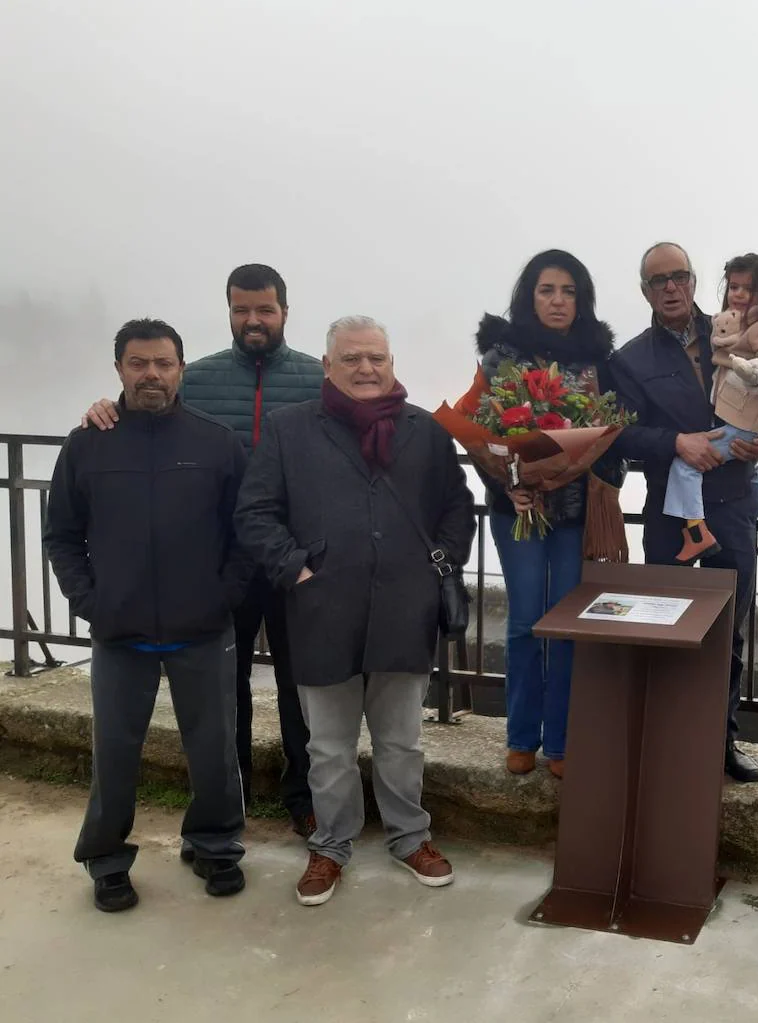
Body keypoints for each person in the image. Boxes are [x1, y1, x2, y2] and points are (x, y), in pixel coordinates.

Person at [234, 315, 476, 907]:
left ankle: (409, 837)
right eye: (352, 359)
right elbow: (255, 513)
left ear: (392, 363)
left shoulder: (424, 431)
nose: (366, 369)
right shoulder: (291, 431)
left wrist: (434, 566)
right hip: (322, 611)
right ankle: (331, 844)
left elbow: (456, 507)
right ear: (327, 367)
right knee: (328, 746)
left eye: (377, 358)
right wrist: (297, 568)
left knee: (401, 741)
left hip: (404, 610)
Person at [82, 264, 321, 839]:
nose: (253, 320)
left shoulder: (318, 377)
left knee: (302, 685)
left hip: (296, 559)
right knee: (223, 694)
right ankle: (226, 800)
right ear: (229, 311)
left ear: (285, 311)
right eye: (241, 309)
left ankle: (304, 796)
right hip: (223, 563)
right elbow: (151, 409)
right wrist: (103, 410)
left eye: (264, 309)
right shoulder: (201, 375)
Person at [45, 318, 253, 912]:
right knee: (114, 755)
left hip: (203, 630)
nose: (152, 374)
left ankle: (214, 845)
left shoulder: (216, 442)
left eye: (163, 363)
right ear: (119, 369)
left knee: (214, 751)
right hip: (119, 632)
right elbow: (61, 535)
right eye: (139, 363)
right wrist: (91, 603)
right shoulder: (87, 444)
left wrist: (223, 597)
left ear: (181, 369)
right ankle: (107, 859)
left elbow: (245, 535)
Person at [609, 241, 758, 784]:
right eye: (658, 280)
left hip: (734, 507)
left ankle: (721, 743)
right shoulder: (630, 359)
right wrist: (675, 443)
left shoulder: (740, 328)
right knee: (663, 625)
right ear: (645, 291)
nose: (670, 287)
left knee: (727, 634)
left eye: (679, 276)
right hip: (671, 514)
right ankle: (663, 742)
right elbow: (621, 435)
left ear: (693, 281)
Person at [471, 249, 623, 779]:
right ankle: (520, 736)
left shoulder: (598, 358)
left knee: (566, 623)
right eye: (547, 290)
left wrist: (583, 469)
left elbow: (611, 433)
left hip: (575, 512)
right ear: (528, 296)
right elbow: (479, 432)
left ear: (581, 300)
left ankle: (560, 742)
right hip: (517, 511)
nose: (558, 301)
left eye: (568, 292)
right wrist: (510, 482)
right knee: (524, 621)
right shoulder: (501, 354)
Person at [662, 254, 758, 561]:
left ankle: (696, 532)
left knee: (684, 467)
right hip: (746, 431)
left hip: (740, 437)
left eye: (747, 289)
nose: (737, 294)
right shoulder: (736, 327)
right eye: (733, 287)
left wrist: (756, 373)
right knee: (751, 470)